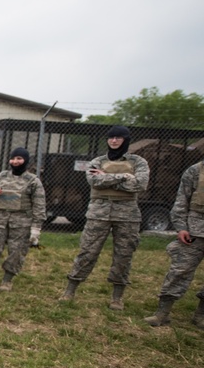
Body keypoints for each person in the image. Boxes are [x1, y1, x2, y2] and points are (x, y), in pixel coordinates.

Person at [59, 126, 149, 310]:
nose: (114, 141)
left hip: (127, 215)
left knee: (124, 255)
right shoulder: (98, 161)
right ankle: (70, 291)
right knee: (87, 252)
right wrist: (124, 178)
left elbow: (140, 184)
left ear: (126, 140)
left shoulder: (138, 161)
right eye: (111, 138)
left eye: (118, 138)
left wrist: (110, 177)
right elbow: (95, 182)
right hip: (98, 213)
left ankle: (117, 298)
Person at [144, 157, 204, 328]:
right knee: (179, 271)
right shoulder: (195, 170)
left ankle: (200, 316)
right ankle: (162, 314)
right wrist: (181, 227)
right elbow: (181, 200)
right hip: (194, 231)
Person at [0, 147, 46, 291]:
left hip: (21, 222)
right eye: (13, 158)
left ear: (26, 161)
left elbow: (39, 205)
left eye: (19, 159)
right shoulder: (1, 177)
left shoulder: (33, 181)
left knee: (16, 252)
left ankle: (7, 281)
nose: (15, 162)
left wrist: (36, 228)